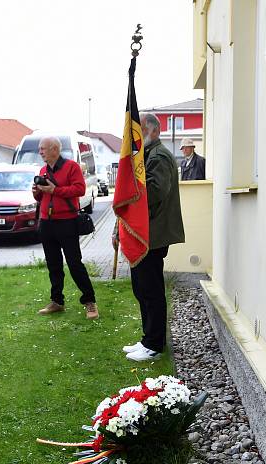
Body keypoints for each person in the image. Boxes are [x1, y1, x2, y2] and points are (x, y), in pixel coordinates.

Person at [119, 114, 185, 362]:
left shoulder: (158, 157)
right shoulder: (147, 155)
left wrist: (132, 188)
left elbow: (156, 192)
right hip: (145, 233)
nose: (136, 138)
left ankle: (155, 344)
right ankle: (148, 338)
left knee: (151, 290)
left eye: (141, 132)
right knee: (141, 288)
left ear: (155, 132)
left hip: (153, 234)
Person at [32, 137, 99, 320]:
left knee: (75, 264)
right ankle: (57, 302)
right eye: (40, 149)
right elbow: (42, 199)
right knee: (53, 265)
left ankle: (90, 301)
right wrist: (37, 192)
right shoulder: (43, 170)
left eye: (43, 148)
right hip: (47, 222)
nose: (40, 152)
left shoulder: (71, 167)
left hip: (67, 222)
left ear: (55, 149)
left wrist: (55, 190)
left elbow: (80, 190)